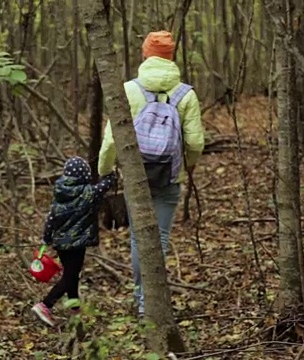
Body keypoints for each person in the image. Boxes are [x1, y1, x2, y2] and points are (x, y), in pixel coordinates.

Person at [97, 30, 205, 316]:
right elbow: (194, 142)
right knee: (161, 237)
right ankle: (153, 299)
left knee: (138, 238)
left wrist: (104, 171)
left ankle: (142, 300)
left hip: (136, 176)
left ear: (145, 54)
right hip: (169, 177)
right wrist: (188, 164)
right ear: (171, 57)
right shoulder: (186, 95)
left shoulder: (129, 90)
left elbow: (110, 140)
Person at [32, 156, 117, 327]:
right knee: (70, 276)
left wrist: (46, 239)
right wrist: (113, 174)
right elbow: (104, 186)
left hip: (61, 244)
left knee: (72, 275)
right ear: (84, 176)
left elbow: (50, 218)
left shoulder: (60, 194)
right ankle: (45, 305)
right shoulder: (88, 193)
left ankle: (75, 309)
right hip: (77, 244)